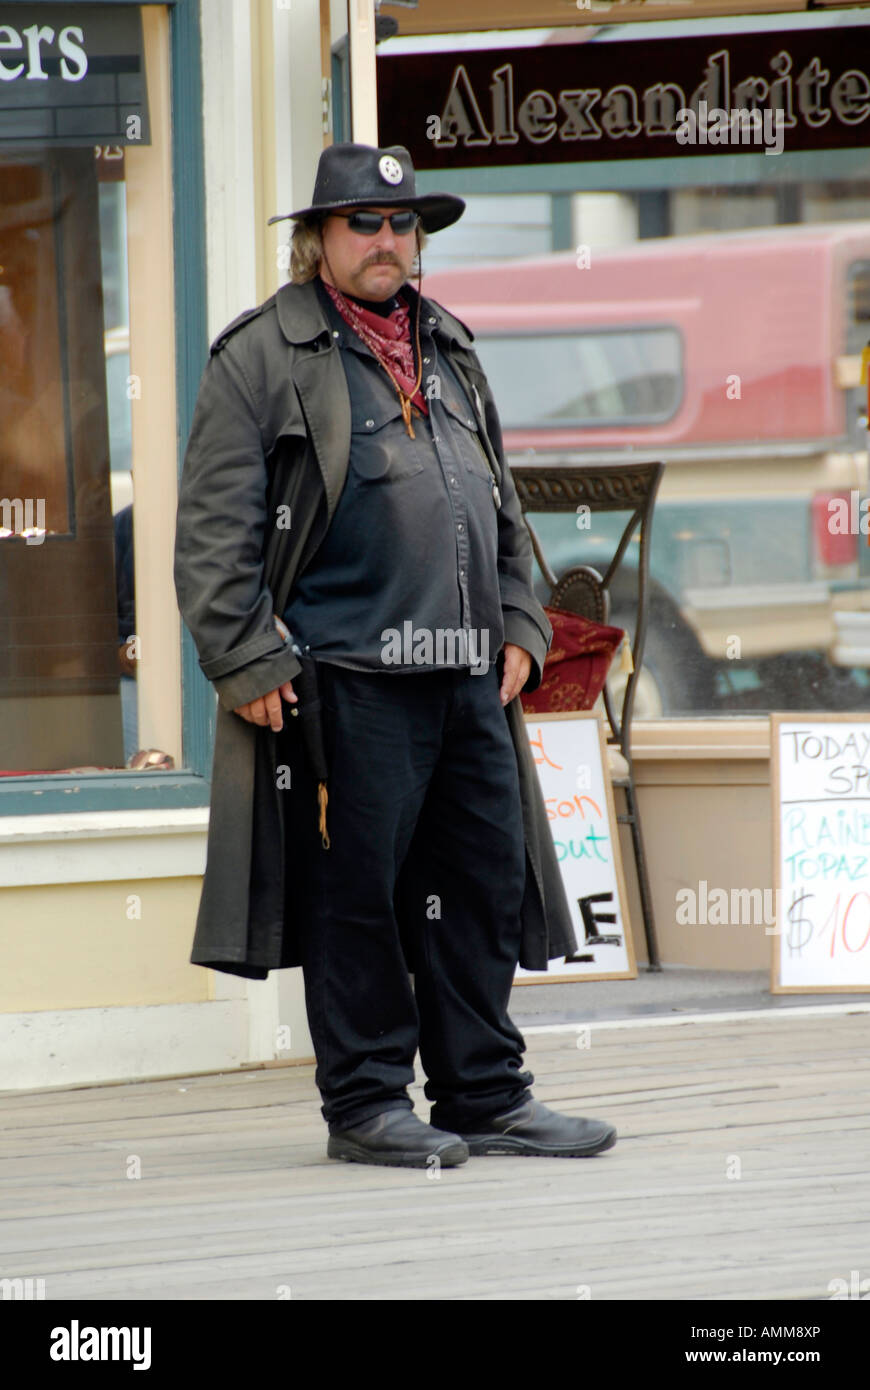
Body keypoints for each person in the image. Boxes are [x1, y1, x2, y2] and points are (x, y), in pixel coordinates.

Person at [174, 142, 617, 1169]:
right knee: (357, 896)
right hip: (345, 682)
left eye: (403, 224)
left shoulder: (451, 343)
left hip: (469, 676)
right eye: (364, 224)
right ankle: (368, 1103)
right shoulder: (260, 354)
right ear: (317, 239)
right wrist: (247, 659)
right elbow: (211, 533)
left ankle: (483, 1093)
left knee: (479, 884)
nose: (387, 241)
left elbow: (501, 509)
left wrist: (521, 625)